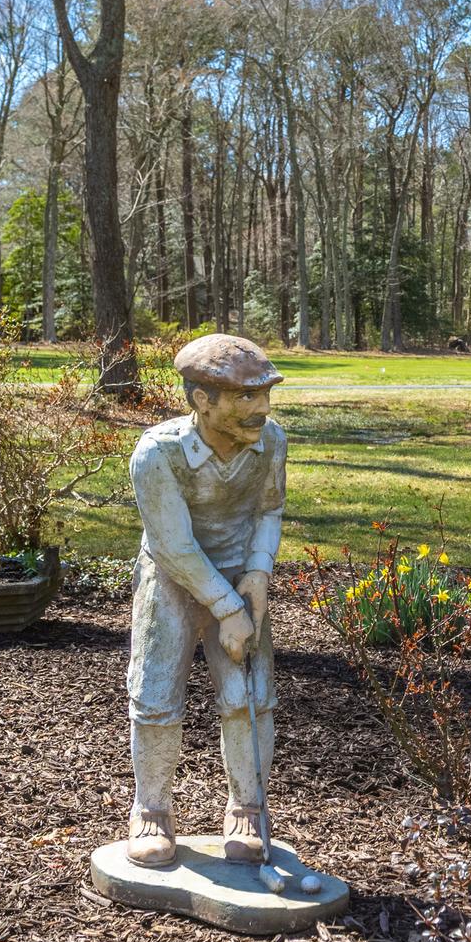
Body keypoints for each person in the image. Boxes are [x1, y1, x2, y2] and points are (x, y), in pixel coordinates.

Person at [123, 333, 286, 867]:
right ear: (202, 400)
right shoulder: (159, 453)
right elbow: (174, 546)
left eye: (265, 394)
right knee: (155, 693)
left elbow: (269, 509)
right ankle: (151, 810)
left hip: (239, 574)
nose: (261, 408)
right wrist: (227, 609)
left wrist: (257, 574)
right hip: (171, 577)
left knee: (249, 694)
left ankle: (248, 807)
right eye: (246, 396)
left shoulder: (270, 442)